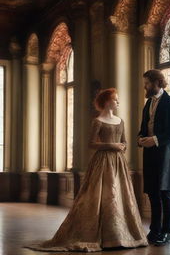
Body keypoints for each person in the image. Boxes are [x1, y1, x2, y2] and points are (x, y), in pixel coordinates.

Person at [25, 88, 148, 252]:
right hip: (102, 161)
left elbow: (124, 141)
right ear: (106, 102)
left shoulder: (120, 121)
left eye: (118, 99)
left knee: (120, 196)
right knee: (103, 196)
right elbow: (91, 143)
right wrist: (111, 145)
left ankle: (119, 235)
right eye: (115, 99)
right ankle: (105, 236)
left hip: (118, 162)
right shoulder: (98, 121)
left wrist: (122, 147)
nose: (118, 102)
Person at [138, 69, 170, 246]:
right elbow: (143, 128)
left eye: (147, 83)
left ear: (157, 82)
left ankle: (166, 231)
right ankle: (154, 229)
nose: (145, 86)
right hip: (149, 154)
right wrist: (140, 139)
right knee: (152, 193)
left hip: (165, 154)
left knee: (165, 192)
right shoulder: (147, 104)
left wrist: (155, 140)